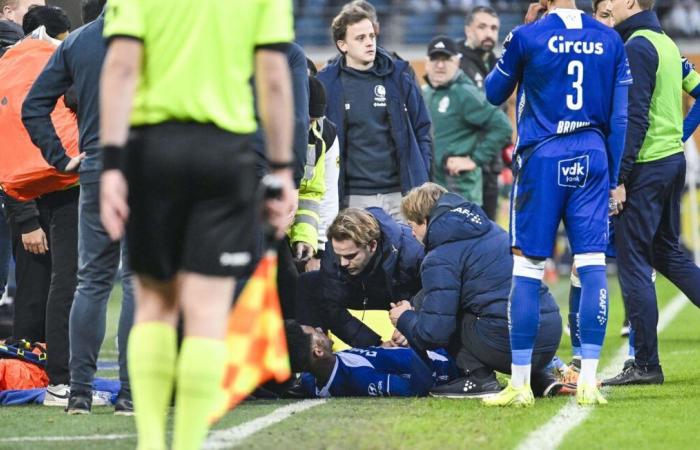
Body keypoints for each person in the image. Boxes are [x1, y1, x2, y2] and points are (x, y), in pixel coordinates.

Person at [99, 1, 296, 449]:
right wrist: (282, 168)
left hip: (152, 151)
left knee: (154, 308)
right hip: (225, 154)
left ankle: (151, 443)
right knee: (207, 316)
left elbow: (121, 67)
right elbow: (274, 80)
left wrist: (111, 164)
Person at [482, 0, 631, 406]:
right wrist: (612, 176)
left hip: (543, 157)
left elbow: (493, 92)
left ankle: (519, 384)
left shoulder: (528, 35)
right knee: (593, 265)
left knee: (528, 269)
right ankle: (588, 380)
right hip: (593, 155)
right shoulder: (609, 38)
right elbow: (620, 120)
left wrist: (522, 32)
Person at [22, 0, 135, 415]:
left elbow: (33, 106)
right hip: (148, 169)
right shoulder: (161, 38)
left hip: (97, 169)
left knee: (91, 283)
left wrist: (60, 157)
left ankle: (80, 394)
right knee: (139, 283)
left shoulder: (78, 43)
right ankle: (129, 395)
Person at [389, 183, 566, 398]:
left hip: (507, 344)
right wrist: (415, 305)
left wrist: (405, 318)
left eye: (412, 226)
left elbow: (433, 333)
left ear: (425, 221)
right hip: (548, 339)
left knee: (450, 316)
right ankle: (540, 377)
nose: (412, 233)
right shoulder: (492, 229)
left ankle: (478, 378)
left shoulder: (439, 255)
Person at [602, 0, 700, 386]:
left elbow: (635, 116)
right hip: (670, 161)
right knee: (668, 253)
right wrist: (679, 133)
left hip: (645, 168)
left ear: (630, 2)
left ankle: (645, 363)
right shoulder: (667, 43)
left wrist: (619, 177)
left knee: (634, 263)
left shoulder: (637, 46)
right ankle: (644, 360)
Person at [0, 4, 81, 407]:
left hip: (24, 189)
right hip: (61, 184)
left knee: (41, 285)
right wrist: (27, 217)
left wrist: (22, 210)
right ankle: (59, 379)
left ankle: (29, 370)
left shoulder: (8, 65)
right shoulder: (54, 63)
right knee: (62, 283)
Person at [317, 7, 432, 221]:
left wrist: (421, 176)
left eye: (371, 36)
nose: (370, 42)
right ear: (342, 45)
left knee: (410, 254)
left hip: (402, 195)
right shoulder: (326, 84)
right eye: (360, 38)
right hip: (353, 198)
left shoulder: (399, 75)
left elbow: (422, 129)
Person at [295, 207, 423, 348]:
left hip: (406, 296)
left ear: (372, 245)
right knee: (308, 283)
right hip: (362, 290)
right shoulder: (334, 252)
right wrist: (375, 345)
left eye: (351, 256)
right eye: (339, 255)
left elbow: (437, 294)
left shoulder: (413, 251)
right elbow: (330, 307)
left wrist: (412, 317)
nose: (343, 263)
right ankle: (316, 360)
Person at [422, 36, 511, 207]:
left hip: (458, 188)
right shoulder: (425, 92)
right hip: (432, 188)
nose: (440, 65)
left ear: (456, 62)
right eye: (435, 59)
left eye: (446, 59)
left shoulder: (465, 93)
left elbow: (502, 126)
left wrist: (474, 159)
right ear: (427, 62)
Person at [285, 320, 457, 397]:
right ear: (318, 352)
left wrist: (383, 351)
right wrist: (413, 337)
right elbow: (417, 388)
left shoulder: (311, 379)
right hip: (448, 362)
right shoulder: (359, 378)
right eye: (315, 332)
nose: (319, 327)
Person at [457, 5, 511, 220]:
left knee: (487, 231)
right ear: (468, 30)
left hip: (491, 166)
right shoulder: (456, 63)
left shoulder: (499, 66)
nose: (489, 33)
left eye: (493, 28)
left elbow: (502, 114)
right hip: (464, 168)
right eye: (482, 27)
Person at [289, 76, 340, 273]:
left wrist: (315, 244)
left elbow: (313, 195)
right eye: (306, 119)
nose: (310, 125)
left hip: (294, 235)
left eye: (314, 120)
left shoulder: (321, 137)